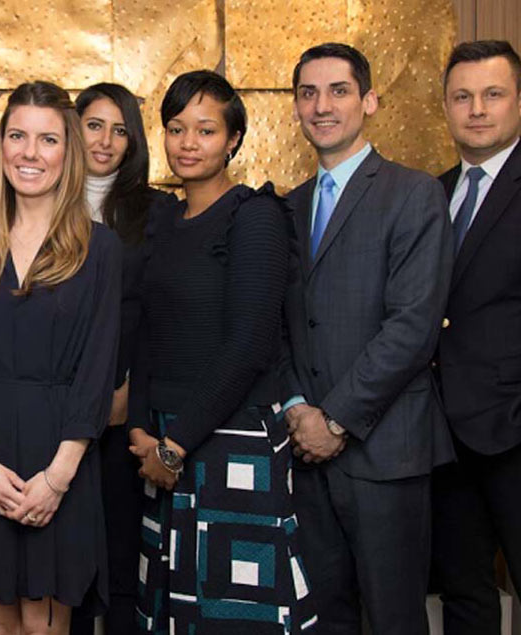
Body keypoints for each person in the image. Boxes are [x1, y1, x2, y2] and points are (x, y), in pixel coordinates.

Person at [0, 81, 122, 635]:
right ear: (1, 146)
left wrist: (57, 479)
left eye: (47, 139)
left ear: (69, 152)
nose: (30, 153)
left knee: (43, 624)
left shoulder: (100, 248)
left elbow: (97, 369)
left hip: (59, 455)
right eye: (17, 136)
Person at [127, 70, 315, 634]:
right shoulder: (163, 219)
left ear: (233, 139)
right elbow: (146, 332)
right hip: (163, 438)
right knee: (173, 608)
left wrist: (177, 445)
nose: (188, 143)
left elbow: (250, 345)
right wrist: (142, 429)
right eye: (176, 128)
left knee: (234, 612)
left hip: (229, 438)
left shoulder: (253, 216)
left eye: (206, 130)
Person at [281, 43, 454, 634]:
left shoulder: (414, 193)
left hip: (385, 453)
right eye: (308, 93)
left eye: (338, 91)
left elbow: (412, 326)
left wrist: (335, 421)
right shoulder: (290, 206)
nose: (321, 106)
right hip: (306, 456)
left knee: (393, 619)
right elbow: (282, 324)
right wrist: (300, 409)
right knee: (326, 619)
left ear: (370, 100)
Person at [431, 40, 521, 635]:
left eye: (493, 94)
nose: (477, 109)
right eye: (462, 96)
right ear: (446, 106)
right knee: (466, 598)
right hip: (442, 439)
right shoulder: (432, 194)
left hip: (514, 432)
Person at [70, 82, 164, 635]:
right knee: (70, 563)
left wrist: (130, 390)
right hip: (56, 407)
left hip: (124, 406)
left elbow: (156, 312)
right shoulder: (39, 202)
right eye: (94, 125)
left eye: (120, 129)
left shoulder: (155, 212)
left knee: (125, 558)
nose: (105, 140)